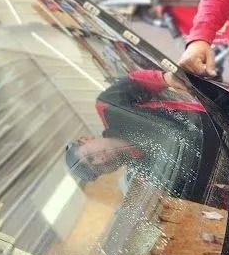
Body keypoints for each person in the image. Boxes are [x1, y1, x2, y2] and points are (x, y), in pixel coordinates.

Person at [65, 71, 213, 201]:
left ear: (85, 140)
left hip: (212, 118)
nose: (101, 160)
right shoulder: (149, 176)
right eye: (98, 169)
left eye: (91, 156)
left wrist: (168, 79)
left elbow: (137, 81)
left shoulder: (110, 108)